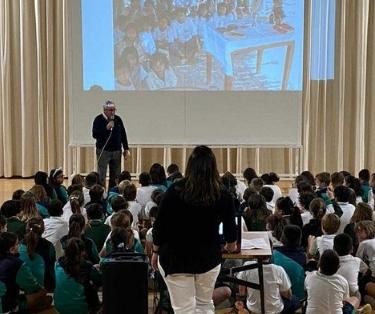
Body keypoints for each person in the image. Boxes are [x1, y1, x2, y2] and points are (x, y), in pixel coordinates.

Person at [151, 145, 237, 314]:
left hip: (176, 259)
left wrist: (155, 251)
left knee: (183, 309)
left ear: (189, 166)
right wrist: (230, 246)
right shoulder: (223, 194)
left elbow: (160, 226)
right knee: (205, 305)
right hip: (208, 259)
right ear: (213, 168)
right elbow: (231, 234)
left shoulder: (174, 191)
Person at [92, 100, 130, 189]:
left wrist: (126, 148)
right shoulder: (98, 119)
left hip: (116, 151)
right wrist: (106, 128)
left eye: (114, 110)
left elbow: (123, 134)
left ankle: (113, 193)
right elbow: (94, 134)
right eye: (110, 110)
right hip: (103, 151)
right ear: (105, 110)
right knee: (102, 175)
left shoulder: (118, 119)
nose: (113, 112)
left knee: (116, 175)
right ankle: (102, 194)